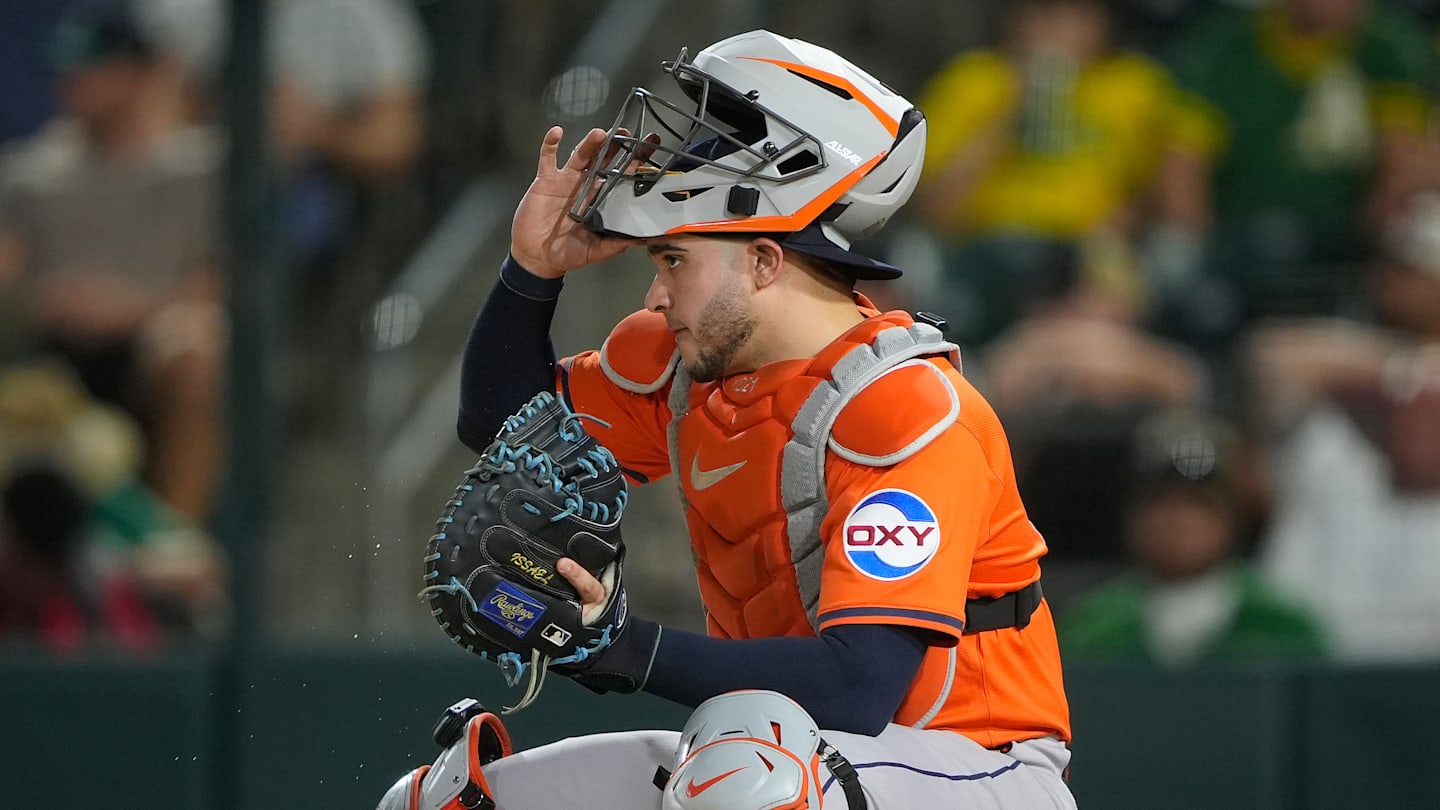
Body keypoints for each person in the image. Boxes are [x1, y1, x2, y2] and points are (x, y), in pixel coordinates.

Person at [382, 30, 1075, 809]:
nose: (654, 295)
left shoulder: (908, 410)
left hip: (977, 764)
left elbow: (861, 686)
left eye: (674, 259)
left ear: (765, 261)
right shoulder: (690, 367)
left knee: (753, 787)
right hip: (777, 746)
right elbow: (500, 426)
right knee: (446, 801)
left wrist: (624, 646)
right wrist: (532, 271)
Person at [0, 0, 225, 525]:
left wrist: (127, 311)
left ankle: (174, 544)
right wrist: (34, 298)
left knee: (195, 348)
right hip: (47, 350)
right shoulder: (28, 172)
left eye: (93, 65)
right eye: (68, 65)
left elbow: (216, 288)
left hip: (147, 349)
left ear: (140, 73)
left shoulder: (203, 167)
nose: (73, 78)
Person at [1148, 0, 1439, 350]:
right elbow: (1183, 168)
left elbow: (1401, 165)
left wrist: (1379, 247)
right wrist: (1194, 251)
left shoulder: (1388, 45)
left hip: (1344, 246)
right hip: (1236, 240)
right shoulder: (1226, 44)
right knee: (1176, 272)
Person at [907, 0, 1184, 348]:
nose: (1058, 30)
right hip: (986, 250)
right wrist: (1011, 111)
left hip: (1092, 250)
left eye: (1076, 14)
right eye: (1045, 14)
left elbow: (1168, 203)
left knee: (1119, 282)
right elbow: (933, 210)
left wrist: (1129, 218)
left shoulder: (1134, 86)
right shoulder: (974, 80)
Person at [1245, 189, 1440, 661]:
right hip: (1325, 635)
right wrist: (1408, 370)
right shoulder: (1342, 377)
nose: (1394, 280)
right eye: (1392, 266)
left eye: (1415, 270)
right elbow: (1270, 357)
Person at [1059, 407, 1327, 667]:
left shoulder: (1285, 630)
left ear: (1233, 515)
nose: (1179, 519)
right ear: (1131, 513)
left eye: (1200, 503)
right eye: (1159, 501)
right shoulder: (1091, 632)